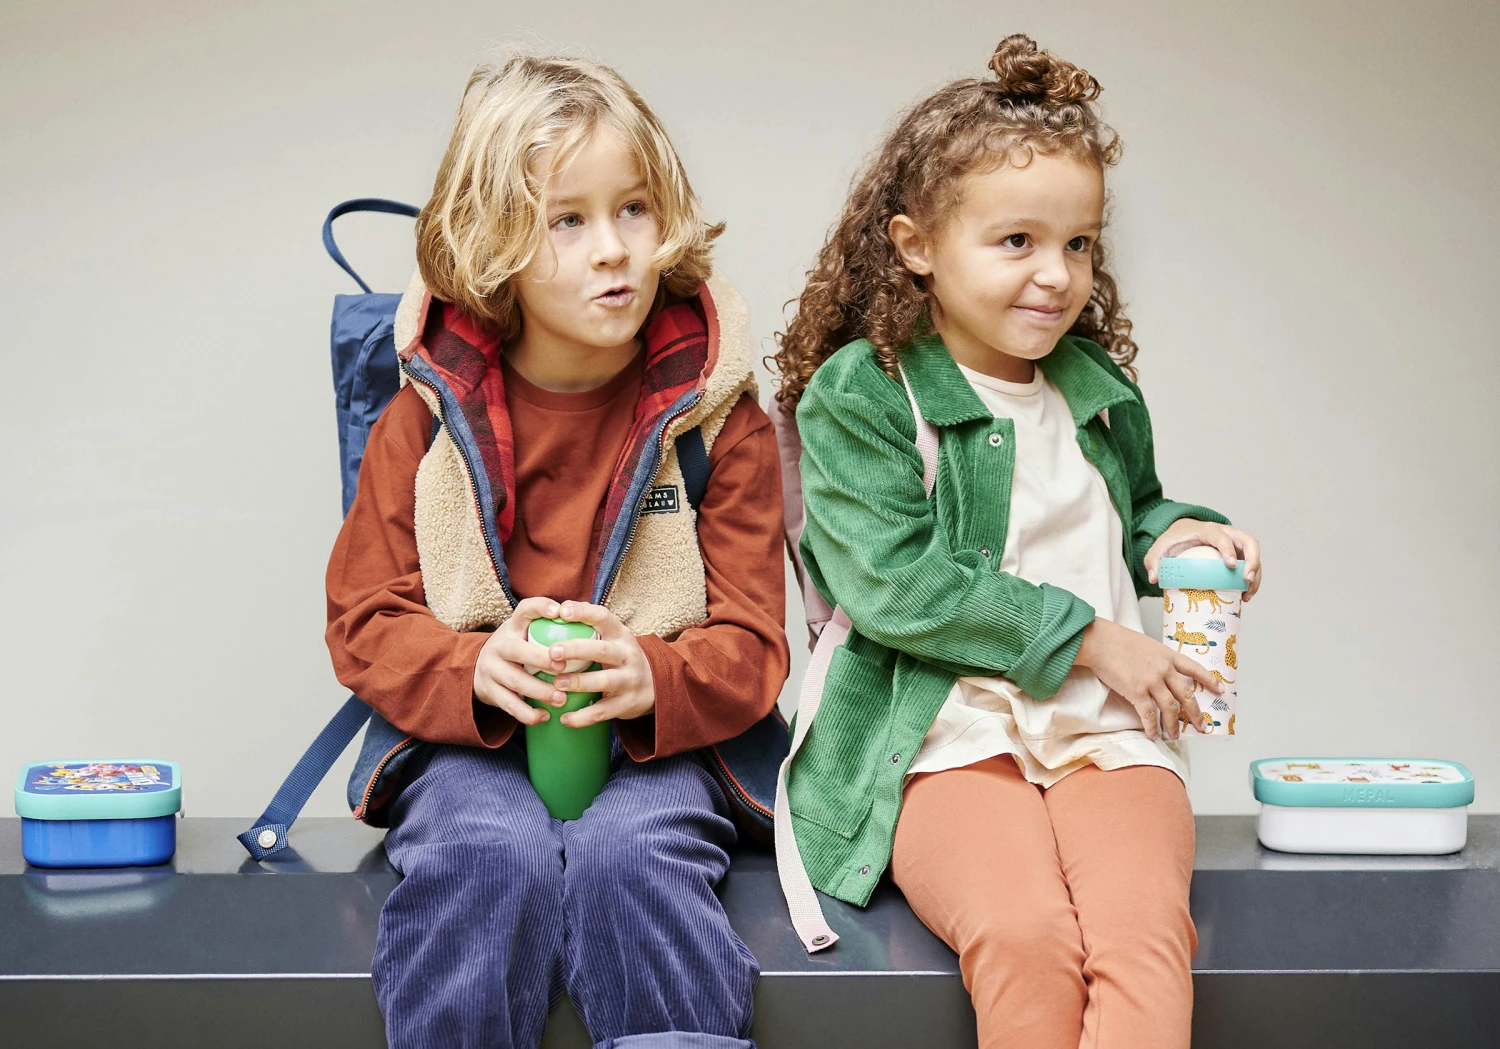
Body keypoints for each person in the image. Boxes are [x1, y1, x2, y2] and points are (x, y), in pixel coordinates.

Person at [774, 34, 1263, 1049]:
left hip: (1107, 729)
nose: (1057, 275)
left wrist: (1183, 533)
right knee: (1028, 936)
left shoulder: (1095, 387)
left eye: (1079, 243)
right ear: (916, 244)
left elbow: (1133, 512)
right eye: (1016, 242)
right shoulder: (866, 393)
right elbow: (894, 583)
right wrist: (1094, 639)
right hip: (942, 737)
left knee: (1140, 938)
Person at [326, 53, 789, 1049]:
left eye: (634, 209)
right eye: (566, 220)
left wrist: (656, 673)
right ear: (491, 243)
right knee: (486, 855)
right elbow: (365, 617)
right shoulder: (425, 420)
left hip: (660, 749)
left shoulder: (717, 420)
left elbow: (754, 643)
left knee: (634, 859)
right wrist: (471, 666)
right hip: (471, 745)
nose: (613, 249)